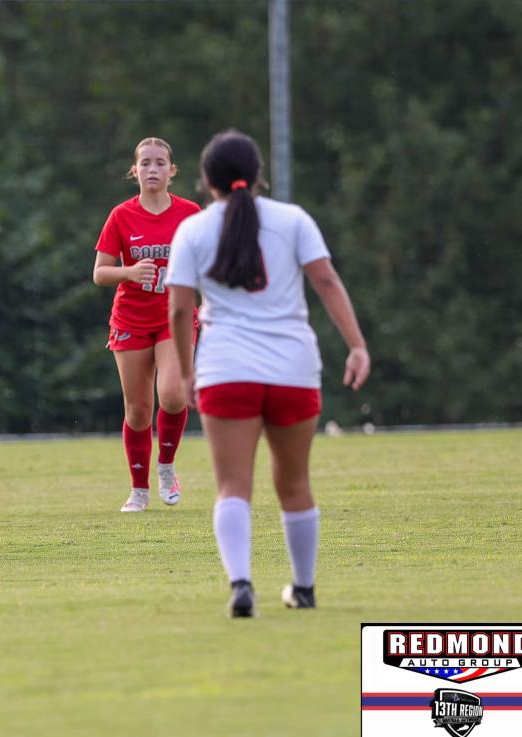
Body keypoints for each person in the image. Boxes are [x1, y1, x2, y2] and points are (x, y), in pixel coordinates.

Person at [166, 129, 371, 617]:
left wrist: (188, 372)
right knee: (295, 484)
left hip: (226, 369)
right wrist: (357, 345)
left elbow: (179, 310)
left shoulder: (193, 229)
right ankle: (304, 588)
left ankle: (241, 585)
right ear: (258, 175)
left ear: (207, 181)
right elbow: (326, 281)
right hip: (293, 369)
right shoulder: (293, 219)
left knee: (232, 487)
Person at [93, 138, 201, 512]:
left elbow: (209, 264)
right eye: (145, 163)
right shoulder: (121, 215)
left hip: (176, 317)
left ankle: (166, 467)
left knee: (173, 394)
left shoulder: (190, 213)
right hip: (131, 320)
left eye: (160, 163)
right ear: (134, 170)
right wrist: (128, 272)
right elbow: (100, 272)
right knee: (138, 409)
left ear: (172, 171)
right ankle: (139, 490)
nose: (152, 169)